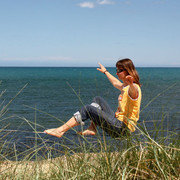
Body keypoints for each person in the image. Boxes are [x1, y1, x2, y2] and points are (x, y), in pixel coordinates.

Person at [44, 58, 142, 138]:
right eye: (116, 70)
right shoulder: (124, 87)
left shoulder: (134, 88)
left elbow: (133, 93)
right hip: (117, 123)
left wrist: (131, 85)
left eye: (119, 70)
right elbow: (115, 83)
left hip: (122, 129)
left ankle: (60, 131)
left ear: (128, 71)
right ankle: (92, 128)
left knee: (88, 109)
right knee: (98, 100)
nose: (117, 73)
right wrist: (105, 72)